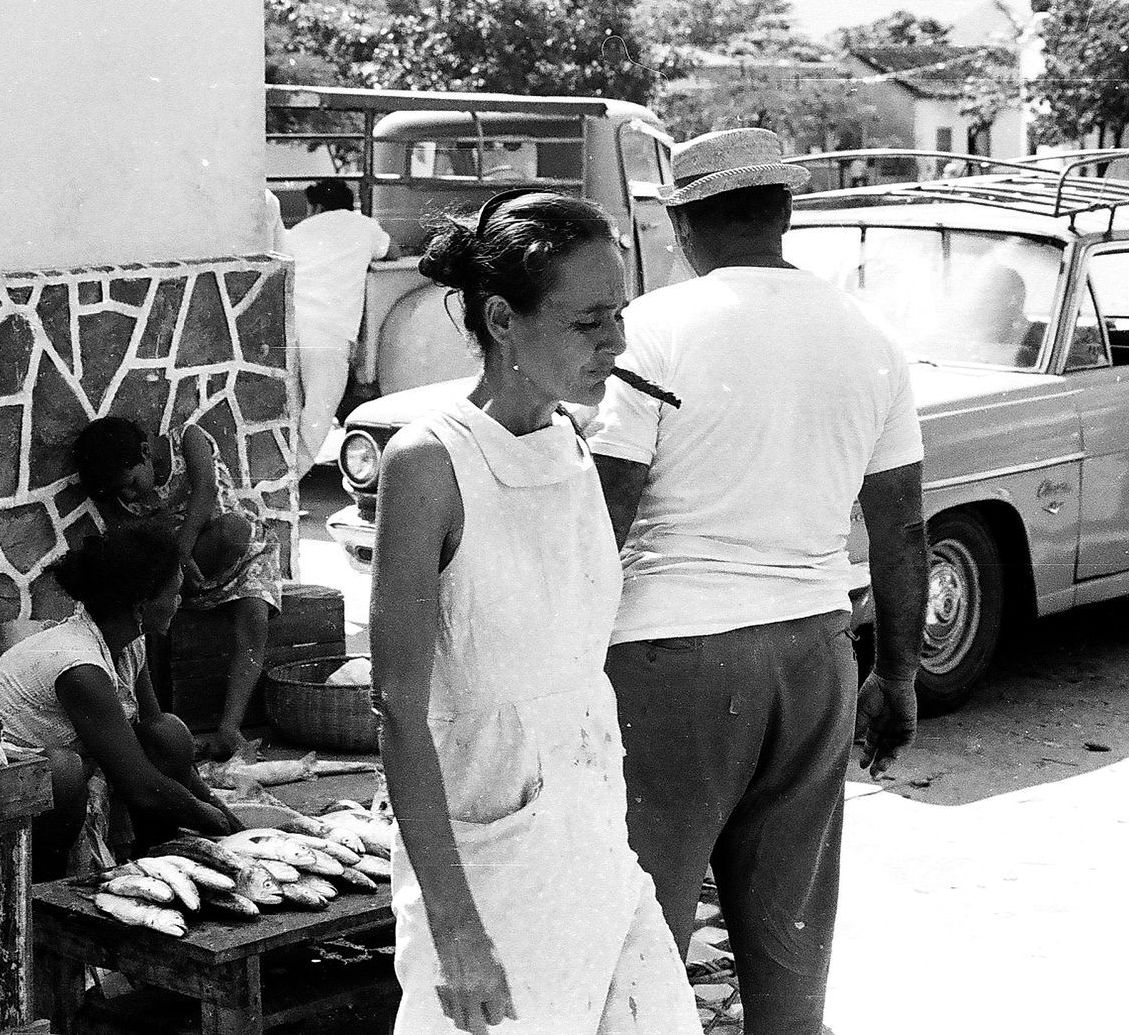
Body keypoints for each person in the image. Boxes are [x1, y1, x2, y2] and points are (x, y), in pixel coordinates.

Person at [589, 128, 928, 1035]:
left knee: (643, 940)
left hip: (672, 657)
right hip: (817, 654)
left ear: (684, 223)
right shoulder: (872, 340)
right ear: (783, 216)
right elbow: (902, 532)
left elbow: (605, 519)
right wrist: (897, 676)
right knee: (789, 944)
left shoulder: (653, 328)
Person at [369, 189, 700, 1034]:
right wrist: (458, 934)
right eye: (587, 320)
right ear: (501, 320)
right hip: (489, 872)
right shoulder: (429, 464)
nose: (616, 342)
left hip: (594, 846)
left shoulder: (573, 445)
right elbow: (399, 712)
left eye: (619, 314)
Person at [0, 524, 238, 880]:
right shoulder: (81, 668)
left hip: (56, 786)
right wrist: (206, 816)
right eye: (173, 593)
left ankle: (160, 855)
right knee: (62, 772)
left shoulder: (130, 641)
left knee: (168, 732)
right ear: (141, 603)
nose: (178, 602)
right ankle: (45, 889)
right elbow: (140, 784)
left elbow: (153, 737)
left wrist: (217, 809)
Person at [72, 415, 281, 762]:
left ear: (144, 451)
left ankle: (229, 727)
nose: (129, 494)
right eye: (120, 491)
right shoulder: (122, 499)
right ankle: (152, 724)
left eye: (131, 483)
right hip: (179, 580)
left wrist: (181, 553)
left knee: (251, 605)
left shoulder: (189, 440)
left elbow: (204, 497)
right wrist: (175, 568)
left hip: (239, 560)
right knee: (144, 617)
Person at [287, 179, 395, 464]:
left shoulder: (298, 231)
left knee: (291, 406)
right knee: (320, 411)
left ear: (317, 206)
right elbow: (390, 251)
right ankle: (290, 481)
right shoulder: (366, 226)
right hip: (329, 330)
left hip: (290, 323)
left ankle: (279, 476)